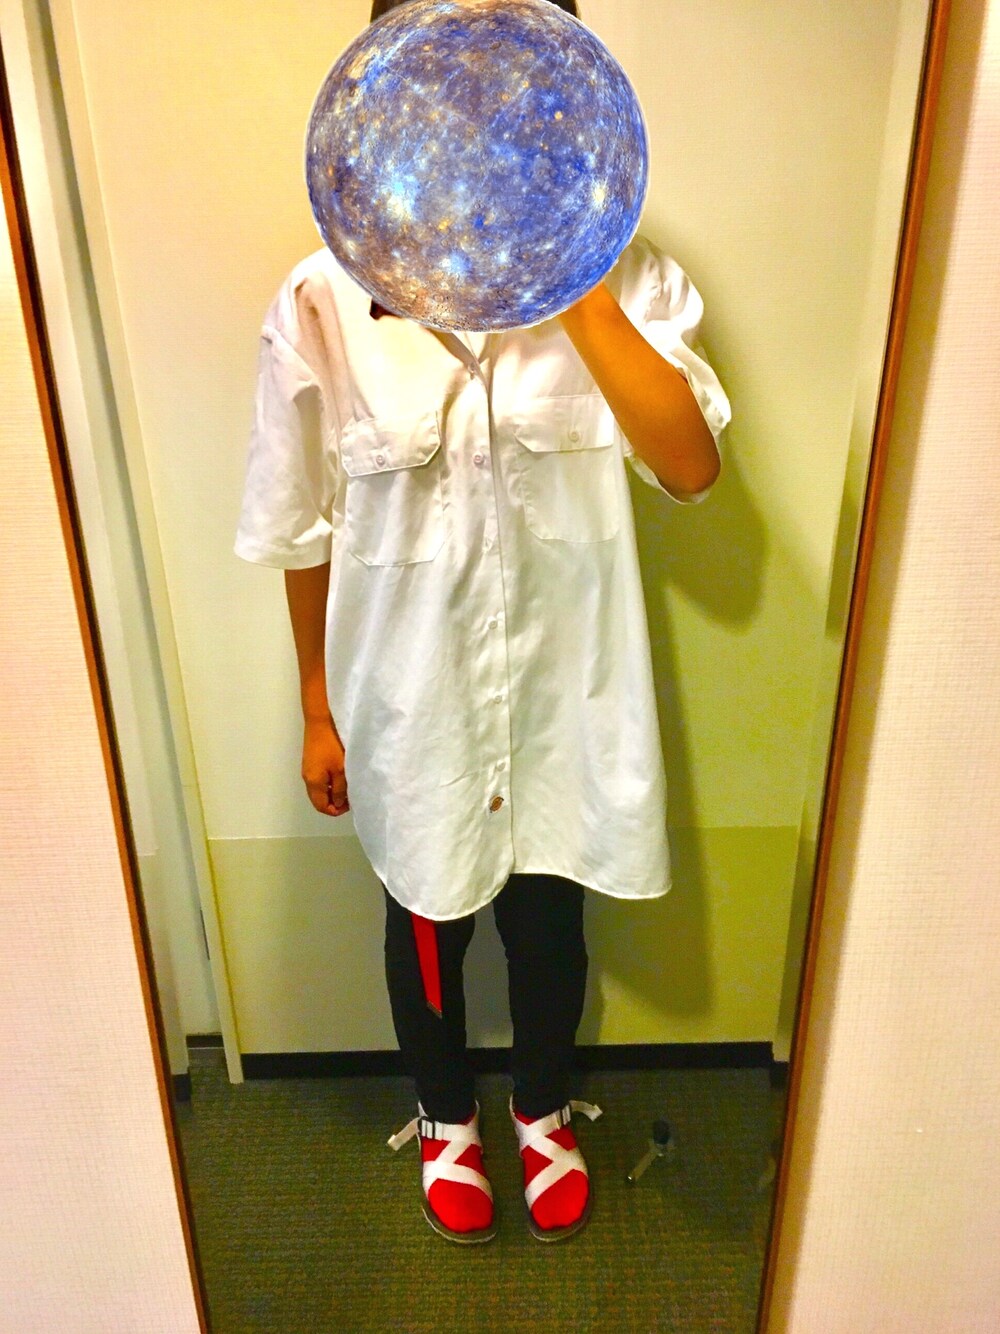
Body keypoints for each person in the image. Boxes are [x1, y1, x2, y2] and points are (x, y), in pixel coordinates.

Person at [235, 0, 730, 1246]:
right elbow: (298, 523)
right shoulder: (322, 295)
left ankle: (543, 1104)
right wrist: (315, 708)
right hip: (407, 697)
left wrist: (573, 277)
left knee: (551, 915)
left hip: (562, 690)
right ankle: (444, 1111)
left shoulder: (625, 271)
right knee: (424, 914)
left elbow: (688, 467)